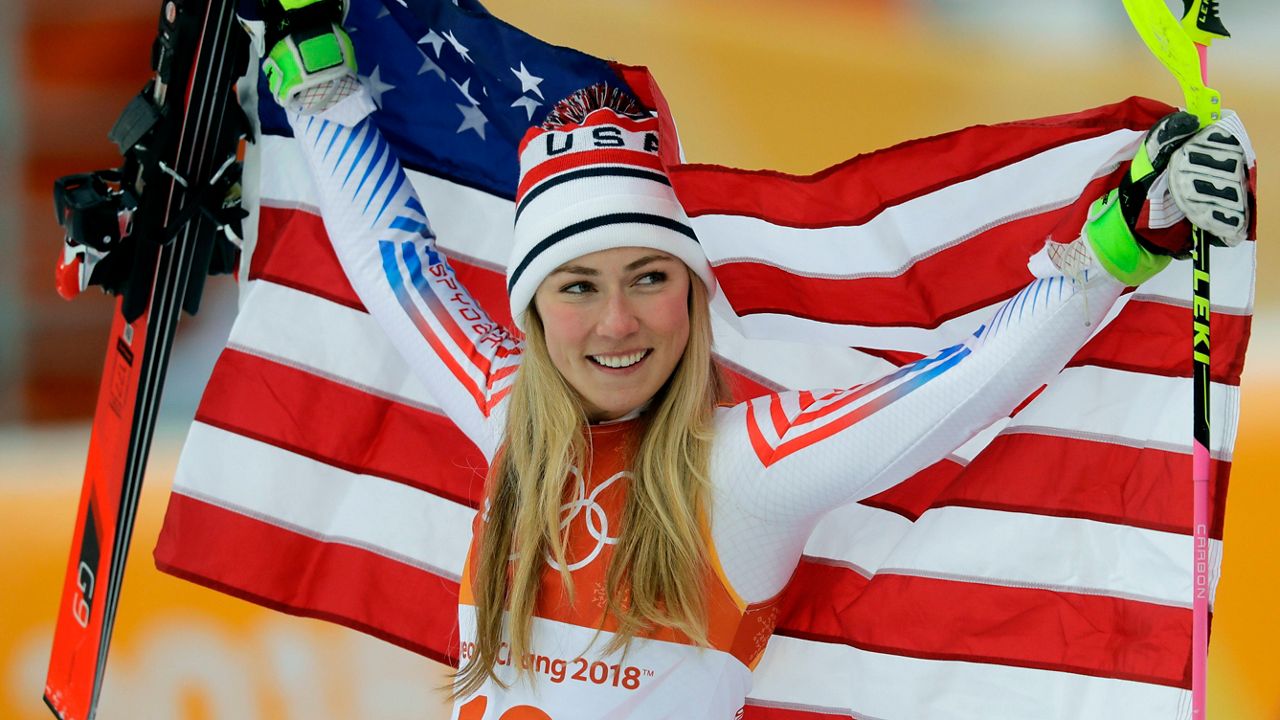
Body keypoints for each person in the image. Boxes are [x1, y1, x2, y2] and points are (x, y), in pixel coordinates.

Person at [255, 2, 1253, 718]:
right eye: (576, 287)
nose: (614, 324)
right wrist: (314, 83)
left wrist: (1130, 232)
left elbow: (967, 381)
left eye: (648, 277)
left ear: (692, 296)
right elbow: (400, 273)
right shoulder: (505, 409)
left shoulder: (746, 466)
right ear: (532, 311)